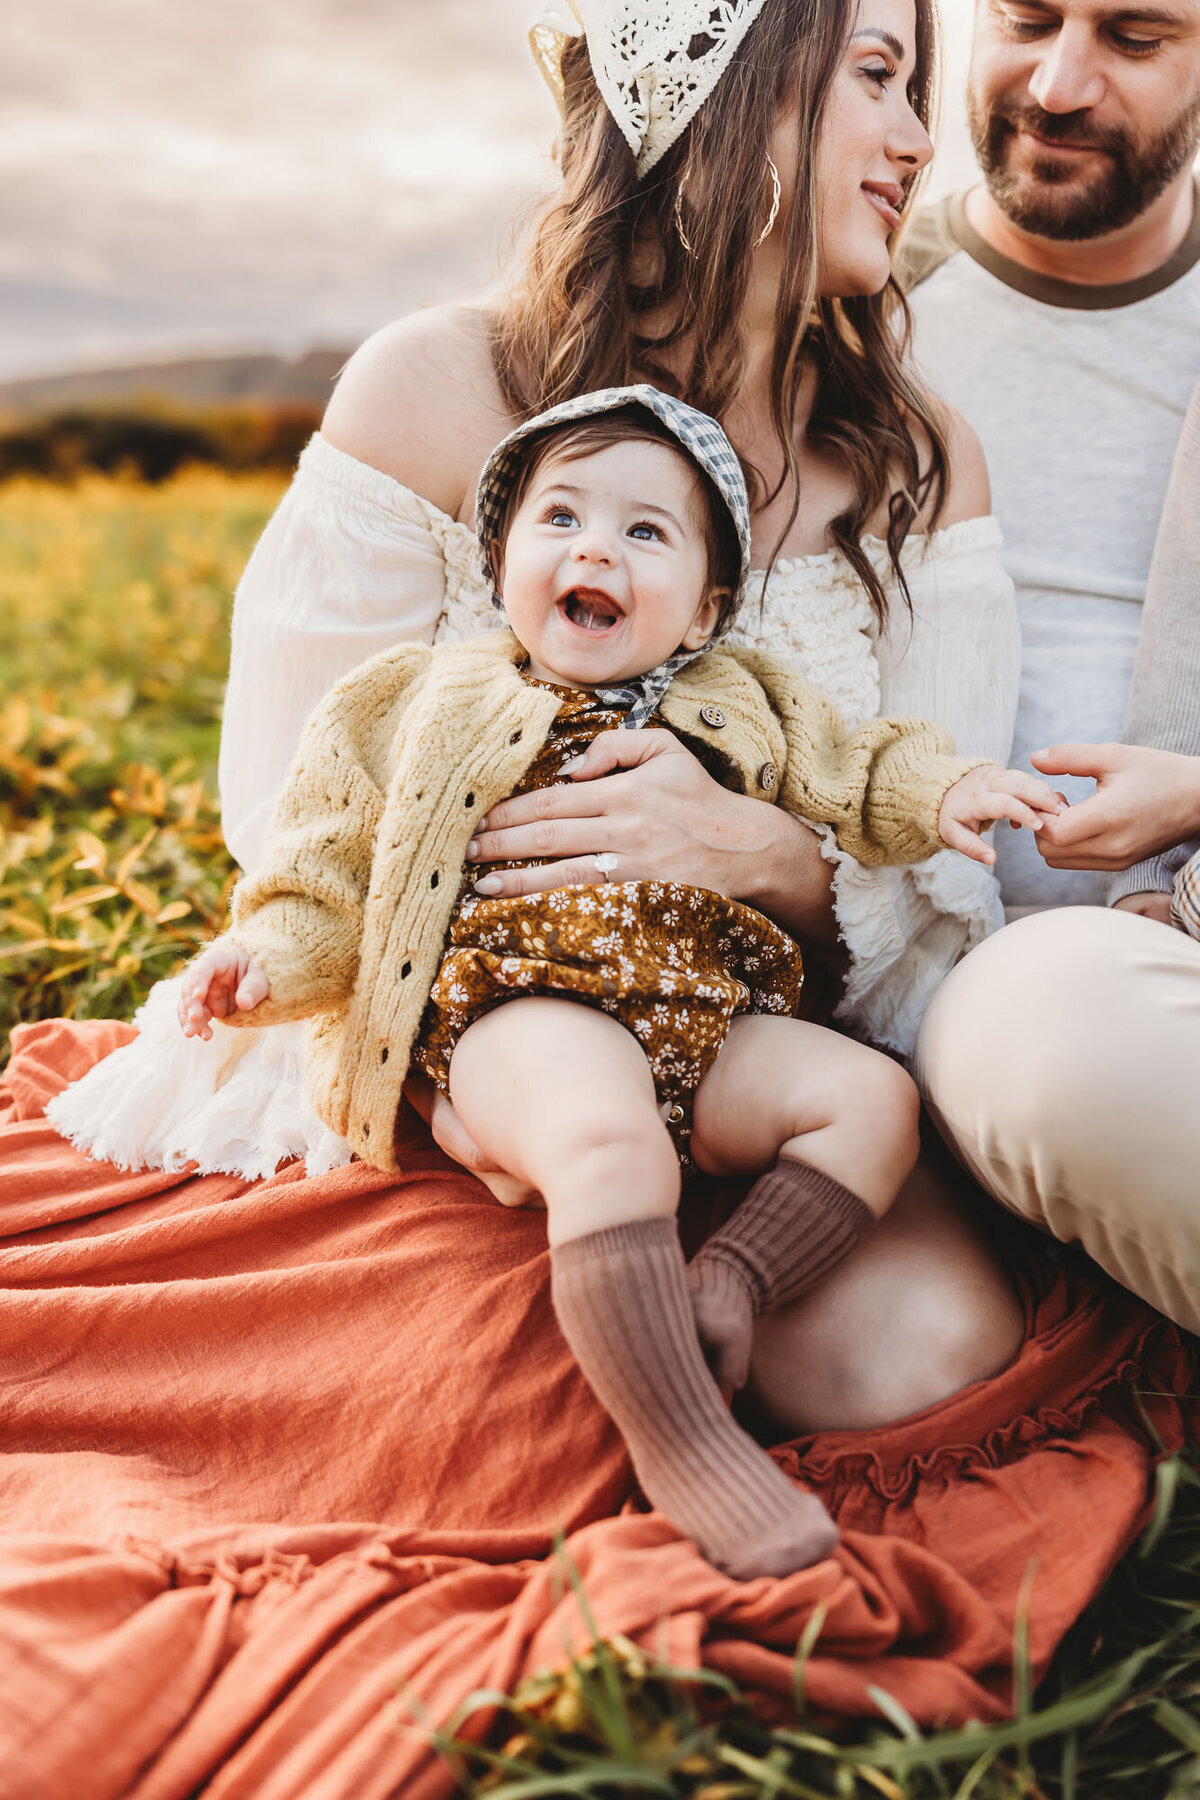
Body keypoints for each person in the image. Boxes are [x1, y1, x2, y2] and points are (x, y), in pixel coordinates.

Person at [50, 0, 1032, 1434]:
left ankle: (694, 1286)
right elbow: (289, 804)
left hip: (743, 1040)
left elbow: (945, 886)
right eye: (877, 80)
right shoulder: (440, 385)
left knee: (918, 1357)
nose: (911, 142)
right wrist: (468, 1019)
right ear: (731, 88)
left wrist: (769, 860)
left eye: (917, 90)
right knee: (450, 1382)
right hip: (469, 1054)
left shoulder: (913, 463)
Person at [173, 387, 1053, 1576]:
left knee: (869, 1101)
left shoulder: (752, 701)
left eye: (647, 533)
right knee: (608, 1142)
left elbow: (861, 770)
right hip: (522, 1004)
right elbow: (327, 867)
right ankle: (683, 1445)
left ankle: (729, 1287)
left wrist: (944, 796)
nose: (595, 547)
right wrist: (262, 962)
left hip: (702, 1014)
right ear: (501, 560)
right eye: (562, 518)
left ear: (709, 606)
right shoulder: (418, 699)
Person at [900, 0, 1200, 1327]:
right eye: (1026, 19)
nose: (1061, 83)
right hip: (1014, 987)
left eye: (1137, 39)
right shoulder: (857, 299)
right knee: (1055, 1038)